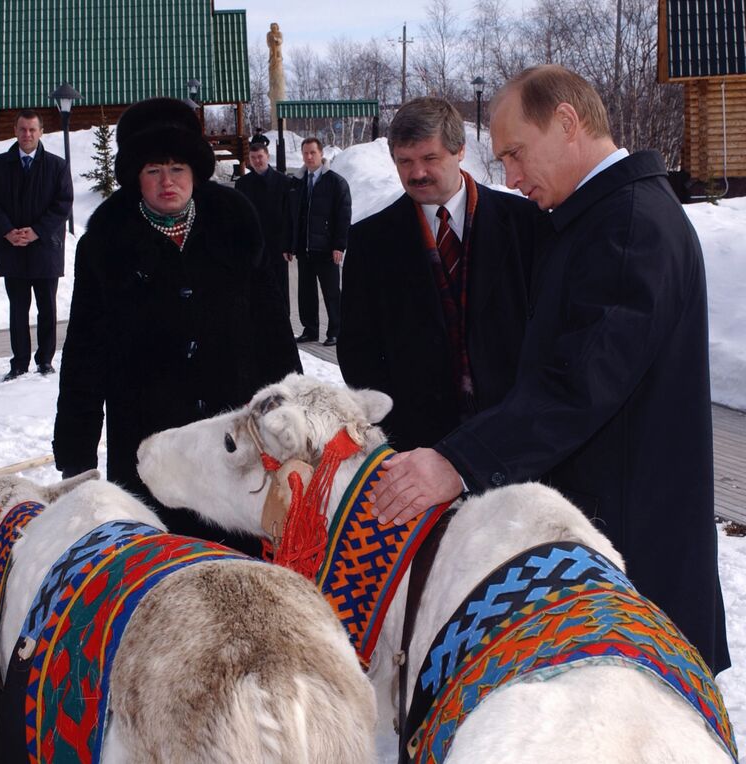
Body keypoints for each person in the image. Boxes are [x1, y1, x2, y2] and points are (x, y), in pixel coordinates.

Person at [368, 66, 729, 674]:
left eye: (515, 152)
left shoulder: (629, 226)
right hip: (604, 541)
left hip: (631, 558)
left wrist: (458, 460)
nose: (508, 175)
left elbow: (578, 384)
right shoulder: (594, 217)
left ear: (566, 123)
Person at [52, 97, 301, 551]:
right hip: (149, 440)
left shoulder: (235, 223)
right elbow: (85, 352)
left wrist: (292, 415)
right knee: (161, 572)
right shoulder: (105, 244)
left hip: (235, 439)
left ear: (195, 171)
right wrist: (77, 454)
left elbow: (273, 329)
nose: (167, 182)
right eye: (153, 170)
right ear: (135, 177)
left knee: (244, 568)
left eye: (177, 168)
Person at [338, 96, 540, 452]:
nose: (417, 173)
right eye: (405, 161)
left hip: (517, 435)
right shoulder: (370, 241)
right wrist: (394, 431)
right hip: (418, 446)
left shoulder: (525, 225)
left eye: (430, 158)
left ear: (460, 151)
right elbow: (358, 352)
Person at [0, 110, 73, 381]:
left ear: (41, 131)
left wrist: (37, 232)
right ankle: (19, 363)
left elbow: (63, 204)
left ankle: (45, 361)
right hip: (12, 248)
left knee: (47, 308)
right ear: (15, 130)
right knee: (18, 309)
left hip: (45, 248)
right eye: (22, 129)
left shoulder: (56, 166)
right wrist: (7, 231)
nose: (27, 135)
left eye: (32, 130)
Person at [285, 137, 351, 347]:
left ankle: (336, 331)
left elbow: (343, 216)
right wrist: (289, 244)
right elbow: (290, 216)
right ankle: (310, 330)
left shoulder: (335, 182)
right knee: (306, 292)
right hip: (304, 248)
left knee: (331, 292)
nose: (309, 157)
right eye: (305, 153)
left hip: (326, 249)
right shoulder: (297, 181)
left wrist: (339, 246)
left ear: (321, 154)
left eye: (313, 152)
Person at [236, 134, 292, 308]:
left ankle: (284, 326)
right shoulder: (242, 184)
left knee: (279, 286)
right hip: (253, 245)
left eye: (260, 156)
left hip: (277, 245)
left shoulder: (284, 182)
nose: (257, 161)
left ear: (267, 156)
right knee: (255, 287)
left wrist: (288, 245)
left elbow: (289, 216)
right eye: (253, 158)